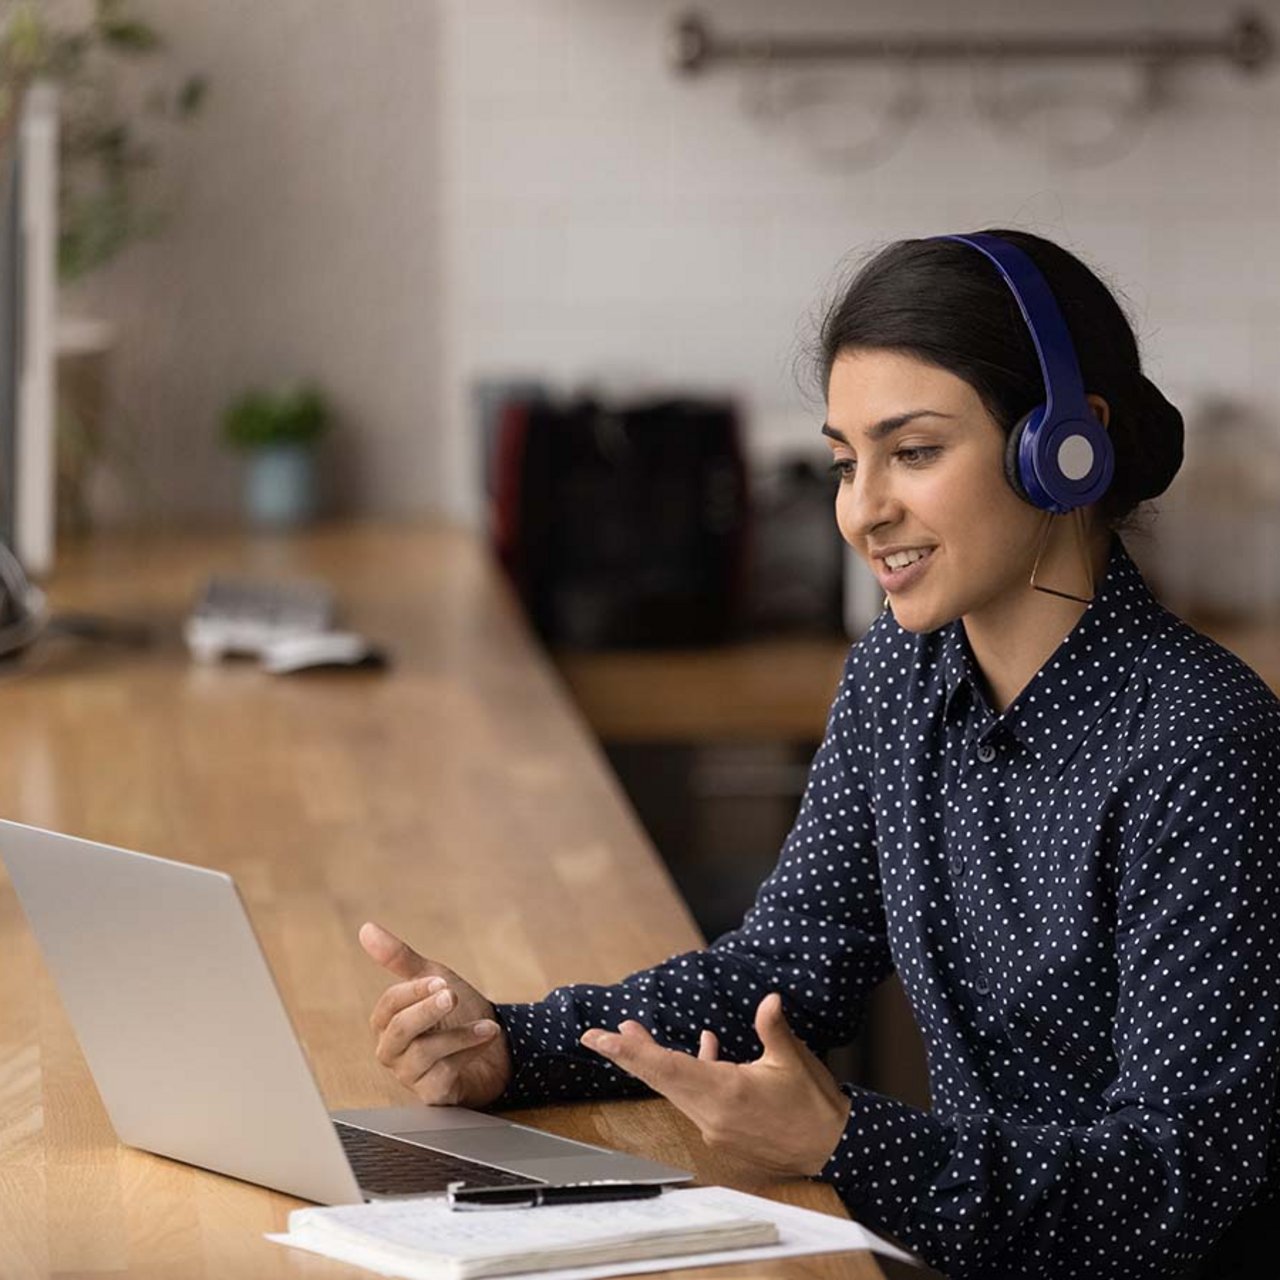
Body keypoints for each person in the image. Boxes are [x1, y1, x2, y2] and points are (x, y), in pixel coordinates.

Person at [359, 229, 1280, 1280]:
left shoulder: (1200, 743)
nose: (862, 509)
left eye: (914, 451)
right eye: (848, 461)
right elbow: (791, 963)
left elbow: (1171, 1180)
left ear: (1065, 445)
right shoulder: (899, 666)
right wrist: (514, 1045)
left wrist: (844, 1139)